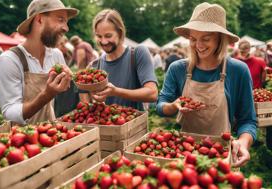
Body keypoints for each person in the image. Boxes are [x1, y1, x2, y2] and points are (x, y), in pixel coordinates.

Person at [156, 2, 257, 167]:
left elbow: (248, 120)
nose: (199, 45)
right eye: (193, 39)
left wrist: (243, 144)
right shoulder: (178, 69)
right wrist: (173, 106)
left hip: (222, 155)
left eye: (206, 39)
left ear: (220, 39)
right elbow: (160, 106)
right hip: (183, 155)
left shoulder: (238, 70)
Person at [0, 0, 78, 124]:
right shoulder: (9, 60)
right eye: (60, 20)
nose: (66, 28)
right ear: (39, 20)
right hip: (21, 139)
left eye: (66, 22)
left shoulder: (56, 55)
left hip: (53, 135)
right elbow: (10, 113)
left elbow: (66, 94)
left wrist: (81, 83)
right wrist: (46, 95)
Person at [85, 9, 158, 111]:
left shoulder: (137, 53)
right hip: (108, 126)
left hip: (135, 124)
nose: (104, 41)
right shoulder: (95, 65)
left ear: (120, 32)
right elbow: (87, 103)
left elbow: (152, 94)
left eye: (108, 36)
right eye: (99, 36)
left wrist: (116, 91)